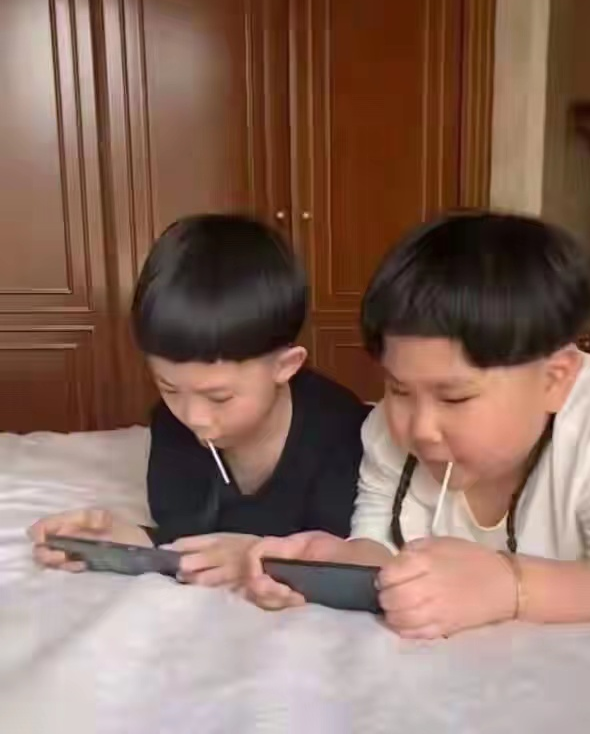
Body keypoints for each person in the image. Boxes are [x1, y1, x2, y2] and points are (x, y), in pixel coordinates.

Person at [245, 211, 590, 638]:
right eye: (399, 389)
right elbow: (380, 547)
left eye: (455, 397)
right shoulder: (387, 430)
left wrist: (510, 586)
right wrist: (340, 563)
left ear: (554, 379)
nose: (421, 428)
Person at [29, 214, 369, 588]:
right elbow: (184, 538)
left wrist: (254, 556)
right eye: (169, 388)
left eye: (218, 397)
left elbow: (337, 556)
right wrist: (121, 538)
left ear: (284, 366)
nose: (193, 417)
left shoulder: (340, 431)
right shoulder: (170, 425)